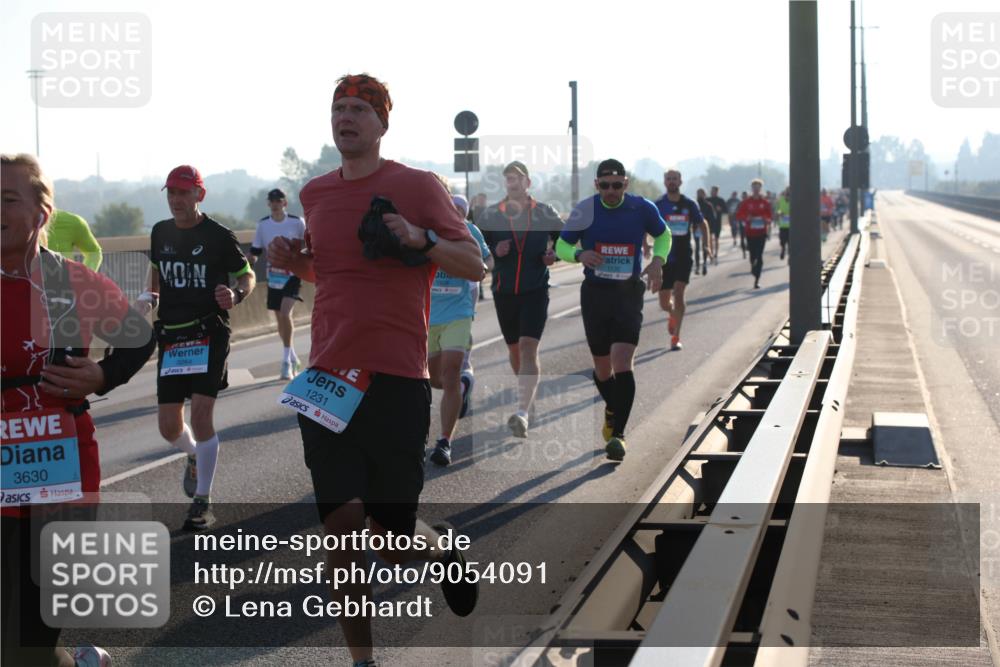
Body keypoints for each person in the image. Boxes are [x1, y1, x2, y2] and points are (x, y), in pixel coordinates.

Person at [267, 73, 483, 667]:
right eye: (339, 108)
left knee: (390, 538)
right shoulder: (315, 193)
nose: (347, 116)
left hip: (396, 378)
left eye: (360, 108)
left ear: (383, 124)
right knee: (341, 532)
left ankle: (437, 552)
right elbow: (331, 273)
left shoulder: (417, 186)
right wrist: (296, 261)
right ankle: (363, 660)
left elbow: (473, 264)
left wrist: (420, 239)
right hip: (328, 377)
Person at [2, 153, 155, 667]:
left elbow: (137, 339)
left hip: (59, 469)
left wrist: (104, 374)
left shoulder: (70, 283)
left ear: (42, 214)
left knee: (30, 640)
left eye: (7, 199)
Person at [138, 164, 256, 531]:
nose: (176, 199)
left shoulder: (219, 236)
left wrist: (234, 294)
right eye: (171, 193)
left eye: (183, 193)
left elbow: (247, 274)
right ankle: (193, 455)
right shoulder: (160, 232)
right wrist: (147, 297)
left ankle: (203, 500)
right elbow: (155, 275)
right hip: (172, 335)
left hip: (208, 333)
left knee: (202, 416)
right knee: (168, 427)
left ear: (199, 195)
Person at [556, 159, 670, 461]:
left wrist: (658, 260)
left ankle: (618, 435)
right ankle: (612, 407)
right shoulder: (585, 210)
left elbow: (664, 235)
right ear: (597, 185)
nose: (611, 191)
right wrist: (580, 253)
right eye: (604, 186)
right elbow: (561, 246)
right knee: (602, 369)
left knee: (623, 363)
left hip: (628, 293)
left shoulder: (641, 208)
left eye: (616, 185)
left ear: (625, 184)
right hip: (595, 294)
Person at [478, 161, 563, 438]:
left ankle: (522, 412)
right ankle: (527, 397)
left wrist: (555, 255)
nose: (511, 184)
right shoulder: (493, 214)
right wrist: (494, 250)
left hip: (535, 291)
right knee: (515, 351)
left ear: (528, 182)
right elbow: (479, 248)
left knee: (528, 348)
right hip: (504, 293)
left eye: (516, 179)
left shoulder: (544, 212)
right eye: (508, 180)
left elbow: (565, 240)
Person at [427, 193, 491, 466]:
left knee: (450, 373)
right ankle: (466, 385)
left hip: (459, 311)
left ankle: (444, 442)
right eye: (451, 208)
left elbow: (485, 264)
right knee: (433, 380)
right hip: (429, 313)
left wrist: (478, 269)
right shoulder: (429, 231)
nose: (455, 213)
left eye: (460, 210)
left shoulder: (471, 232)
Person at [250, 188, 306, 379]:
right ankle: (292, 355)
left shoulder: (297, 222)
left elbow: (308, 246)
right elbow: (256, 250)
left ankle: (286, 362)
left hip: (293, 274)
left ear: (285, 203)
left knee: (285, 313)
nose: (275, 204)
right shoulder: (263, 225)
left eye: (278, 200)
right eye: (272, 201)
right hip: (273, 276)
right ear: (268, 204)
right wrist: (247, 262)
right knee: (279, 319)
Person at [655, 170, 709, 351]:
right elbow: (647, 225)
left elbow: (703, 223)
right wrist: (645, 245)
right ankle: (671, 313)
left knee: (679, 293)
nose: (671, 182)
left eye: (674, 179)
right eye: (668, 179)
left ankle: (676, 336)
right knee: (664, 303)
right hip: (664, 257)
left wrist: (706, 245)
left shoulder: (689, 204)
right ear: (664, 182)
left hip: (684, 255)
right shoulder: (659, 205)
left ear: (680, 181)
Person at [735, 178, 773, 289]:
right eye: (754, 187)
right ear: (751, 188)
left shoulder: (765, 202)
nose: (756, 189)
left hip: (761, 232)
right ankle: (753, 266)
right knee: (752, 256)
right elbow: (739, 216)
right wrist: (747, 218)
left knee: (759, 255)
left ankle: (757, 280)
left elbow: (770, 216)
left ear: (761, 188)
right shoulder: (746, 202)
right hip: (750, 233)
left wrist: (765, 219)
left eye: (758, 187)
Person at [695, 188, 717, 276]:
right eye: (698, 193)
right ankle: (697, 266)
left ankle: (704, 264)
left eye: (701, 193)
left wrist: (709, 227)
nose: (700, 195)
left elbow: (712, 218)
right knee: (697, 247)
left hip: (705, 228)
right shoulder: (694, 204)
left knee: (705, 246)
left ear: (704, 194)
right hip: (695, 228)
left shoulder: (708, 205)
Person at [706, 186, 727, 265]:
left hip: (718, 221)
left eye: (715, 191)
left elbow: (726, 210)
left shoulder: (720, 200)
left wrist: (720, 209)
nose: (713, 192)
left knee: (717, 238)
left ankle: (716, 253)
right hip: (709, 222)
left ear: (717, 192)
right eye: (712, 191)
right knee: (710, 238)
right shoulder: (708, 200)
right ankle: (711, 253)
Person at [776, 187, 791, 260]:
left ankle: (790, 257)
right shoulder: (781, 199)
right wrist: (779, 213)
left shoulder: (795, 199)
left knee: (790, 242)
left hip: (792, 226)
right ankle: (783, 249)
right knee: (782, 240)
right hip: (783, 224)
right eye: (787, 193)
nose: (788, 195)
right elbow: (777, 209)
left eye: (789, 193)